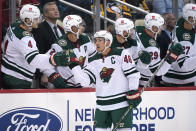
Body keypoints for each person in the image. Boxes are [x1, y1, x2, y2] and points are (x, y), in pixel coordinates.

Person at [70, 30, 142, 130]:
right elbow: (84, 81)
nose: (97, 43)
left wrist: (133, 90)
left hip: (121, 104)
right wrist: (73, 65)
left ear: (108, 42)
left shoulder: (121, 53)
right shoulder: (93, 60)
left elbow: (132, 74)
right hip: (102, 106)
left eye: (100, 40)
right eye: (95, 40)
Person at [1, 4, 71, 89]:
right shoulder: (25, 38)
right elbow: (34, 60)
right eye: (35, 19)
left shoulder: (14, 26)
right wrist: (54, 59)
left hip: (7, 70)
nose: (38, 21)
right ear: (27, 20)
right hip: (17, 78)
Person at [44, 15, 96, 88]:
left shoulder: (85, 38)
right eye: (79, 25)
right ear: (73, 28)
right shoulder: (59, 45)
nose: (82, 27)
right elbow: (45, 63)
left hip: (84, 85)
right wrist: (55, 78)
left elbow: (94, 57)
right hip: (67, 87)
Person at [135, 13, 183, 87]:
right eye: (160, 26)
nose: (161, 28)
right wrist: (170, 59)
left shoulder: (138, 29)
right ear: (153, 27)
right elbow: (158, 72)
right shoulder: (152, 47)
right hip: (139, 82)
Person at [162, 3, 196, 86]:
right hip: (177, 80)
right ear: (190, 18)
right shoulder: (182, 37)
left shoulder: (183, 23)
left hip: (185, 78)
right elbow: (183, 66)